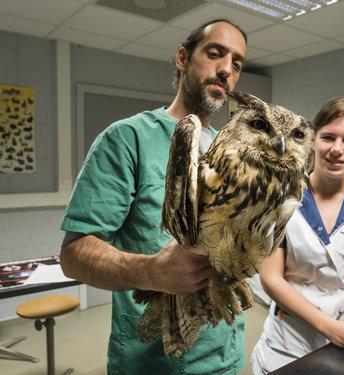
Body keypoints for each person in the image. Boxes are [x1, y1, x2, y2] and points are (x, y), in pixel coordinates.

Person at [60, 19, 248, 375]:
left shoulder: (235, 150)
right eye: (214, 54)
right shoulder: (127, 138)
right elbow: (74, 253)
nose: (225, 69)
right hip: (152, 359)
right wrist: (152, 272)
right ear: (182, 58)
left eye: (237, 64)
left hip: (226, 355)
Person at [250, 96, 344, 374]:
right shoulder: (280, 199)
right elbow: (271, 278)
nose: (337, 149)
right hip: (289, 346)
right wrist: (329, 328)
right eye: (328, 137)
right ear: (312, 140)